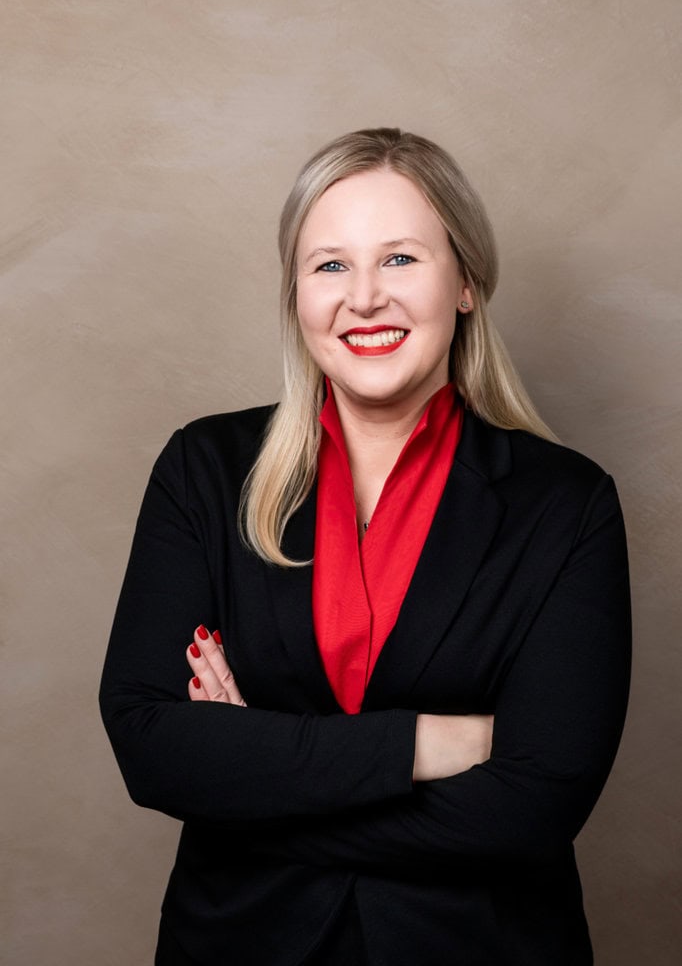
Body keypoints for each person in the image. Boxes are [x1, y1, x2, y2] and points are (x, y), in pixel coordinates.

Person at [100, 127, 631, 965]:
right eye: (330, 265)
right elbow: (149, 744)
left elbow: (536, 803)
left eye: (401, 260)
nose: (364, 298)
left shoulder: (566, 504)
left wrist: (253, 778)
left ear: (465, 282)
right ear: (297, 294)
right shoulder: (203, 470)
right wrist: (429, 742)